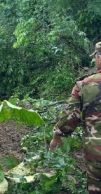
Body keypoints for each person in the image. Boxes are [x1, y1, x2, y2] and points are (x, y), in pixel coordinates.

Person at [50, 42, 101, 193]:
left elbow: (71, 116)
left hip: (96, 154)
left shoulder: (84, 85)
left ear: (100, 58)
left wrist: (57, 136)